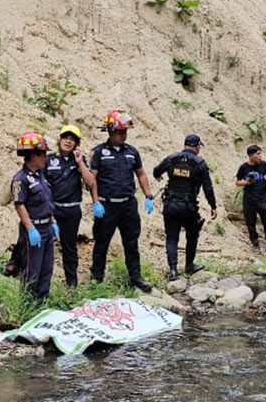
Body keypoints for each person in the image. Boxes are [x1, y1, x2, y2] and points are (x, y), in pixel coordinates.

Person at [89, 109, 154, 292]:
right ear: (110, 132)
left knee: (131, 243)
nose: (123, 136)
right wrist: (95, 201)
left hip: (128, 205)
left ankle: (136, 277)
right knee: (102, 242)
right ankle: (97, 278)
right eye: (119, 132)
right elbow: (91, 179)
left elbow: (140, 174)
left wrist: (148, 195)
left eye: (125, 132)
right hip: (106, 205)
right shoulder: (99, 152)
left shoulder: (132, 152)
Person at [152, 134, 218, 281]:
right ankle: (189, 265)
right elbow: (208, 187)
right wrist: (213, 206)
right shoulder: (200, 162)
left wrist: (158, 177)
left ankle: (173, 271)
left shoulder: (172, 158)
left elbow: (156, 171)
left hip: (171, 204)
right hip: (189, 206)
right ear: (197, 146)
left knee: (171, 239)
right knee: (192, 235)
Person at [46, 123, 99, 287]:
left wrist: (80, 163)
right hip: (52, 209)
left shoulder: (80, 161)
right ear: (59, 139)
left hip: (71, 211)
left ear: (77, 143)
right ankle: (38, 281)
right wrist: (48, 214)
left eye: (72, 139)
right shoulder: (49, 159)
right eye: (65, 137)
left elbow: (91, 182)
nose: (68, 141)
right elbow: (42, 188)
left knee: (69, 248)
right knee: (44, 245)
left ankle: (72, 284)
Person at [10, 130, 57, 301]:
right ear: (34, 156)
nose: (46, 157)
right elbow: (19, 204)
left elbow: (46, 202)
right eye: (43, 154)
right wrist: (30, 228)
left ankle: (41, 303)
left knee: (46, 269)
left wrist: (52, 222)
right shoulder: (20, 179)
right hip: (34, 229)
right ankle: (26, 305)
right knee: (32, 271)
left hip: (46, 227)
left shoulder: (41, 176)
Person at [235, 145, 266, 256]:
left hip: (263, 199)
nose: (260, 156)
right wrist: (246, 182)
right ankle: (255, 245)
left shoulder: (264, 165)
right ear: (251, 155)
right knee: (250, 224)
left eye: (260, 154)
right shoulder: (244, 167)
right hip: (249, 200)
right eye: (257, 154)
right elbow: (237, 181)